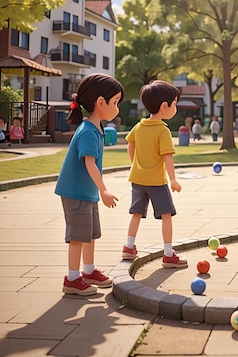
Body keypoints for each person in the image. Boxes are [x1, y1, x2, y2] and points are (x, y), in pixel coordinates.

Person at [54, 73, 124, 295]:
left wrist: (98, 190)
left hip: (87, 192)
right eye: (115, 102)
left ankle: (89, 270)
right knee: (77, 236)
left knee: (90, 233)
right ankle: (72, 279)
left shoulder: (95, 129)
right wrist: (104, 190)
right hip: (77, 192)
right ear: (100, 103)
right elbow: (89, 164)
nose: (117, 108)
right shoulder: (87, 132)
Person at [122, 80, 187, 269]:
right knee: (166, 215)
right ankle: (168, 255)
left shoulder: (139, 126)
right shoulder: (163, 130)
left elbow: (130, 144)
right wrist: (173, 179)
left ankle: (129, 246)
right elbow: (168, 157)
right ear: (165, 106)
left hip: (137, 179)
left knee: (136, 213)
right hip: (157, 183)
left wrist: (134, 164)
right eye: (174, 103)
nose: (175, 107)